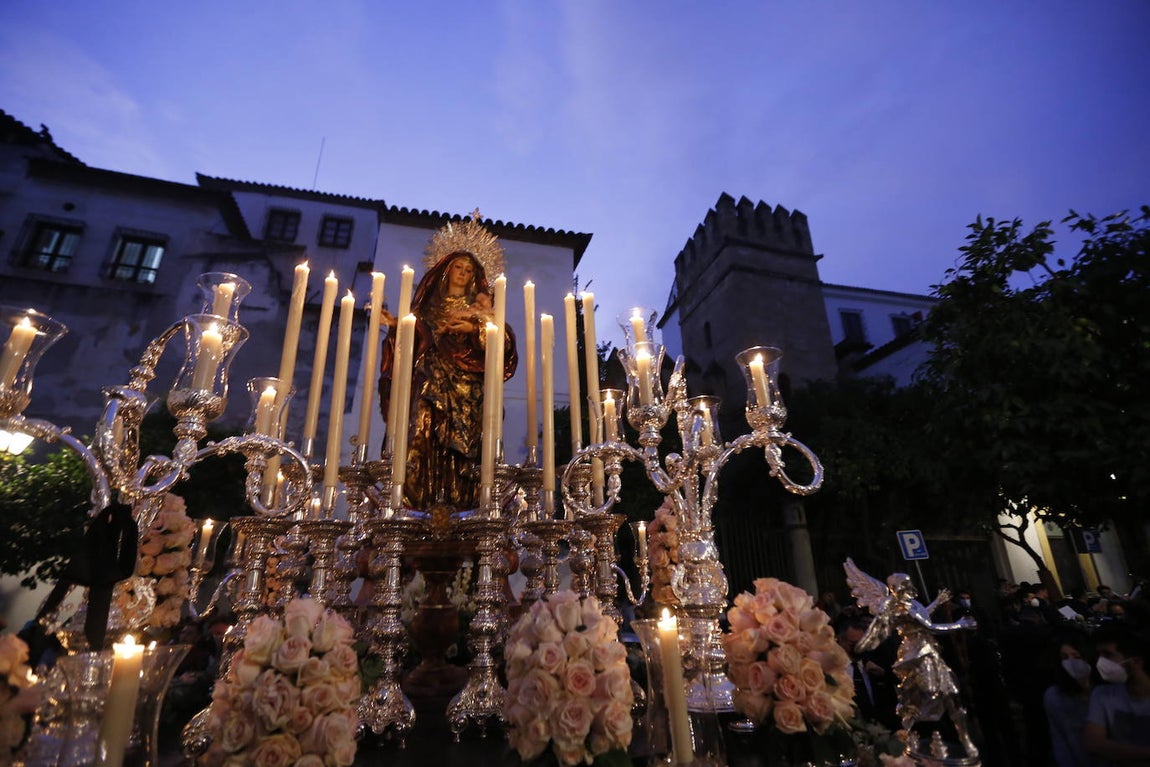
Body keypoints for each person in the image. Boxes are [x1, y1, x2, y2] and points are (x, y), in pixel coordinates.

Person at [379, 221, 517, 512]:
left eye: (469, 271)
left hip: (469, 387)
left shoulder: (482, 308)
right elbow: (410, 333)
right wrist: (395, 325)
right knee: (422, 427)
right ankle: (416, 501)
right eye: (458, 268)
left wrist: (476, 327)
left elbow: (502, 344)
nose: (463, 273)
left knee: (470, 447)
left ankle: (465, 502)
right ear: (446, 270)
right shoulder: (426, 307)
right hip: (429, 377)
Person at [1084, 625, 1150, 765]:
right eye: (1099, 655)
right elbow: (1094, 743)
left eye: (1107, 655)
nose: (1100, 662)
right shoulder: (1101, 694)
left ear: (1135, 661)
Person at [1044, 631, 1098, 767]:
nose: (1071, 662)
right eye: (1065, 657)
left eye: (1076, 656)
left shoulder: (1105, 690)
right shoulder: (1054, 695)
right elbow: (1060, 739)